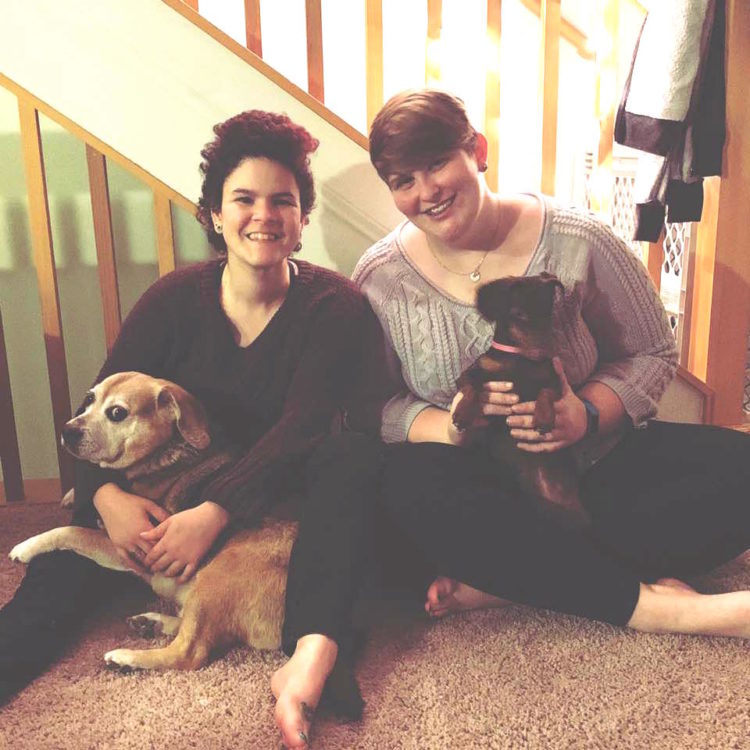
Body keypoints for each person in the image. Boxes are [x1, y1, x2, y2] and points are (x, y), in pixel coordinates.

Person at [0, 110, 386, 749]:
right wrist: (107, 500)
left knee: (345, 461)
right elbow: (94, 416)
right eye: (244, 198)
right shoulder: (173, 300)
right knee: (62, 571)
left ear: (302, 220)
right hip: (160, 502)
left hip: (271, 509)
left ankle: (313, 646)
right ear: (213, 213)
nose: (263, 214)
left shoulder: (333, 307)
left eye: (282, 201)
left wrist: (215, 513)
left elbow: (302, 431)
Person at [349, 88, 749, 638]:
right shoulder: (380, 277)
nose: (428, 192)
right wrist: (444, 426)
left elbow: (652, 350)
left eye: (438, 162)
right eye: (403, 181)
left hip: (594, 464)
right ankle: (660, 608)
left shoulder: (577, 238)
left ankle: (509, 578)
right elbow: (369, 403)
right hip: (475, 482)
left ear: (477, 150)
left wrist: (585, 413)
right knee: (405, 490)